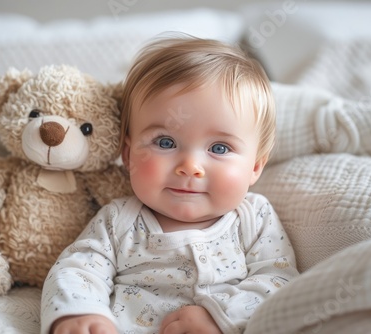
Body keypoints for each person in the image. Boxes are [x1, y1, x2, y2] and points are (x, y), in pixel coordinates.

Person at [41, 34, 298, 334]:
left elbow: (278, 282)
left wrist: (221, 317)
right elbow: (78, 269)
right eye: (165, 142)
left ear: (255, 166)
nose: (190, 167)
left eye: (219, 148)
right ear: (127, 155)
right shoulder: (120, 220)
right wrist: (79, 314)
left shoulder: (254, 219)